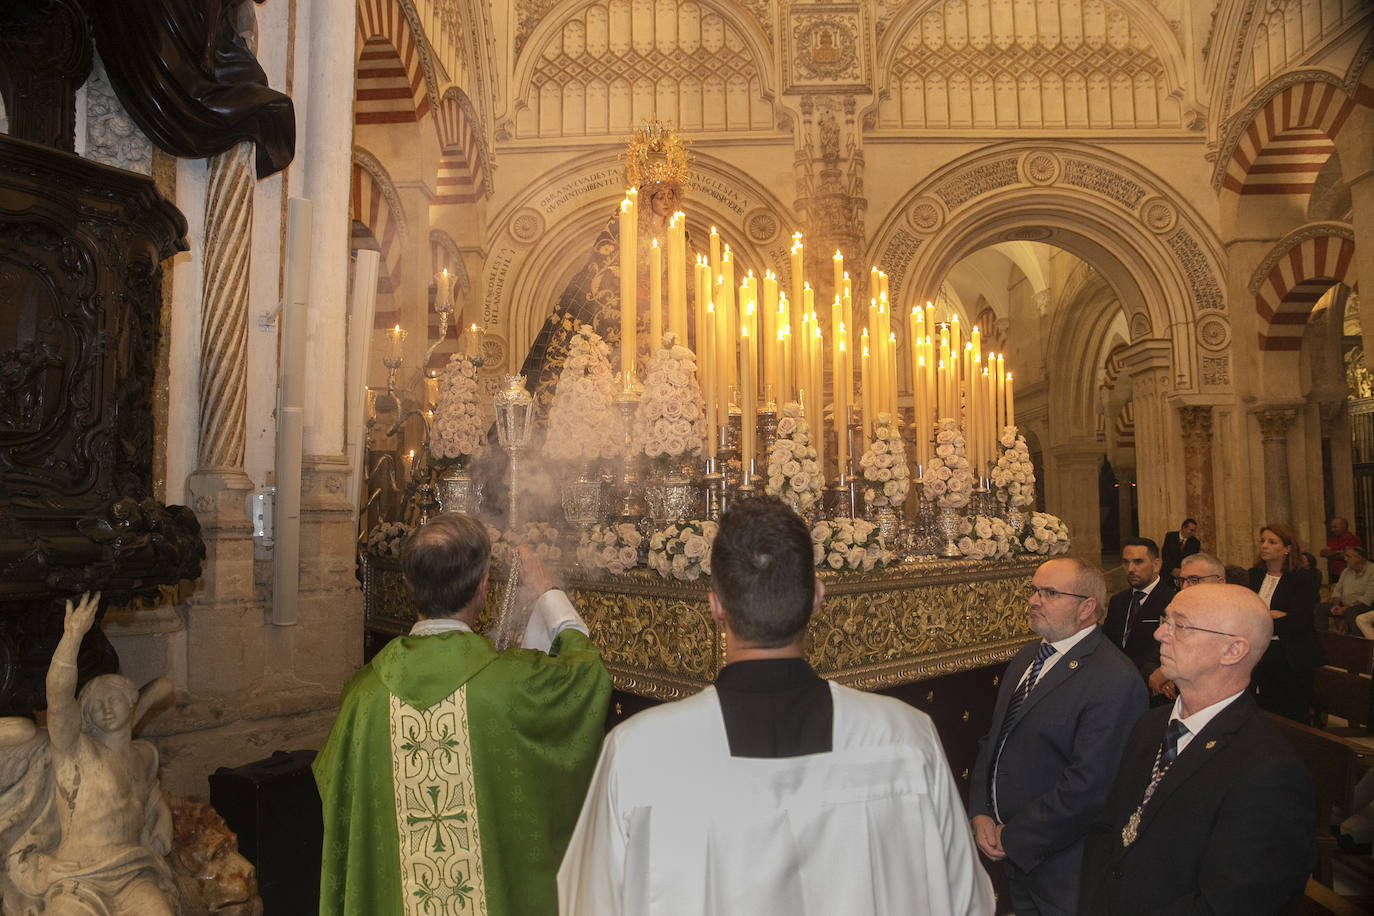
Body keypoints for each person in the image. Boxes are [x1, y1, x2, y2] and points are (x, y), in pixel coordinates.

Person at [558, 497, 994, 915]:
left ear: (714, 605)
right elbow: (966, 901)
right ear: (817, 598)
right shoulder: (906, 740)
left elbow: (588, 901)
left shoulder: (639, 754)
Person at [313, 514, 612, 916]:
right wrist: (547, 591)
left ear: (409, 586)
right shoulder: (510, 686)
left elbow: (339, 798)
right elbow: (587, 674)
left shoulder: (363, 696)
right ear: (482, 588)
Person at [1079, 584, 1315, 913]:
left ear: (1233, 650)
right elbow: (1107, 829)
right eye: (1165, 620)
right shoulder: (1150, 725)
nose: (1160, 633)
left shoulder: (1268, 771)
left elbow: (1231, 903)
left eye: (1181, 625)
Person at [968, 557, 1147, 916]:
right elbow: (994, 741)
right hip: (1015, 852)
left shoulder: (1114, 678)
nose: (1034, 600)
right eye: (1034, 590)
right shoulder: (1026, 657)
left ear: (1087, 607)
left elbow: (1090, 787)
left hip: (1066, 865)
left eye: (1049, 593)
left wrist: (1015, 837)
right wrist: (981, 811)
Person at [0, 591, 180, 915]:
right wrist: (72, 638)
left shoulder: (144, 756)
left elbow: (147, 794)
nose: (105, 709)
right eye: (95, 706)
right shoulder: (76, 752)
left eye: (111, 699)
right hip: (76, 877)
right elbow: (57, 697)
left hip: (132, 874)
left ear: (130, 702)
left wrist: (161, 815)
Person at [1246, 522, 1323, 724]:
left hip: (1291, 653)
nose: (1264, 546)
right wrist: (1271, 615)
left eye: (1272, 542)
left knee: (1289, 714)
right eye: (1262, 541)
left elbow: (1298, 621)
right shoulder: (1254, 576)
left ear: (1287, 549)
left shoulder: (1302, 578)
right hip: (1257, 650)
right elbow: (1244, 614)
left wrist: (1260, 618)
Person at [1103, 537, 1177, 703]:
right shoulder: (1118, 601)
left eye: (1138, 562)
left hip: (1154, 692)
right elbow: (1108, 643)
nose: (1130, 569)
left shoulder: (1173, 601)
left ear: (1156, 565)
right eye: (1126, 562)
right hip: (1117, 689)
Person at [1322, 546, 1374, 633]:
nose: (1345, 559)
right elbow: (1337, 590)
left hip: (1365, 605)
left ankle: (1360, 643)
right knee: (1320, 608)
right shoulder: (1346, 571)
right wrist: (1336, 605)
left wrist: (1346, 608)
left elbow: (1368, 598)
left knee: (1351, 612)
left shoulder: (1372, 571)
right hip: (1345, 605)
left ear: (1359, 557)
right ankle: (1324, 640)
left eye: (1348, 556)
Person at [1320, 516, 1361, 583]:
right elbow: (1322, 553)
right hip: (1335, 574)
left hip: (1350, 574)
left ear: (1344, 526)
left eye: (1335, 527)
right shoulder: (1332, 540)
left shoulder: (1353, 539)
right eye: (1332, 527)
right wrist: (1338, 552)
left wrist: (1331, 554)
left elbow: (1346, 556)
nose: (1332, 530)